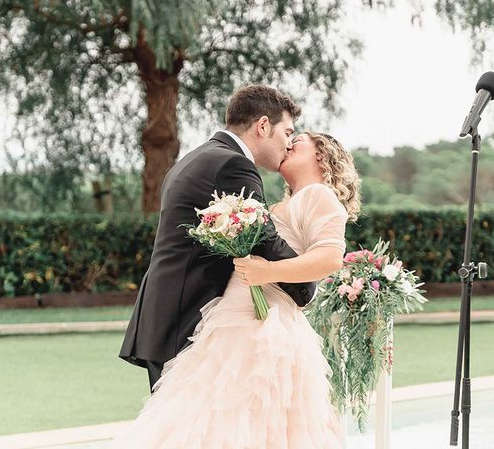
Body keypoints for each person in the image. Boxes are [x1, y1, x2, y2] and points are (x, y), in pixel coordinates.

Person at [119, 126, 362, 448]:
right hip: (231, 314)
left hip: (264, 323)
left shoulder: (319, 195)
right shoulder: (280, 204)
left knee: (248, 414)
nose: (288, 144)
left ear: (322, 155)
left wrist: (268, 271)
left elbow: (330, 258)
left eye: (298, 141)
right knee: (213, 411)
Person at [119, 84, 317, 391]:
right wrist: (306, 287)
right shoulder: (232, 164)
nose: (288, 144)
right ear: (263, 126)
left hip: (167, 312)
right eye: (287, 132)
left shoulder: (197, 157)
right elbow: (262, 237)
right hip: (187, 317)